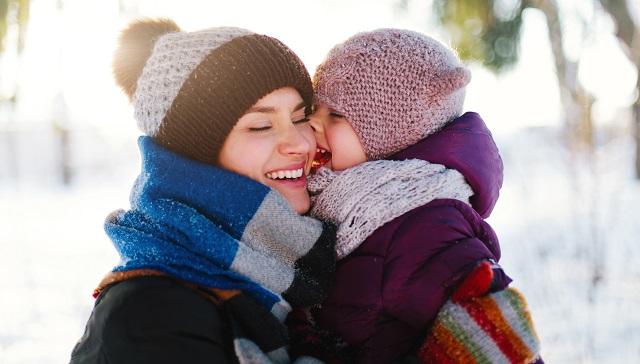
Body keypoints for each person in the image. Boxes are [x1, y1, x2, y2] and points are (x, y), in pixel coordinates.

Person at [69, 18, 337, 364]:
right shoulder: (153, 312)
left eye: (300, 118)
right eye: (261, 125)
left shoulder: (297, 270)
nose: (301, 143)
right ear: (197, 157)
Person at [297, 28, 542, 363]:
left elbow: (501, 343)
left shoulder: (422, 226)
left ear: (393, 133)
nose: (312, 121)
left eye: (335, 114)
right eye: (314, 106)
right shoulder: (337, 204)